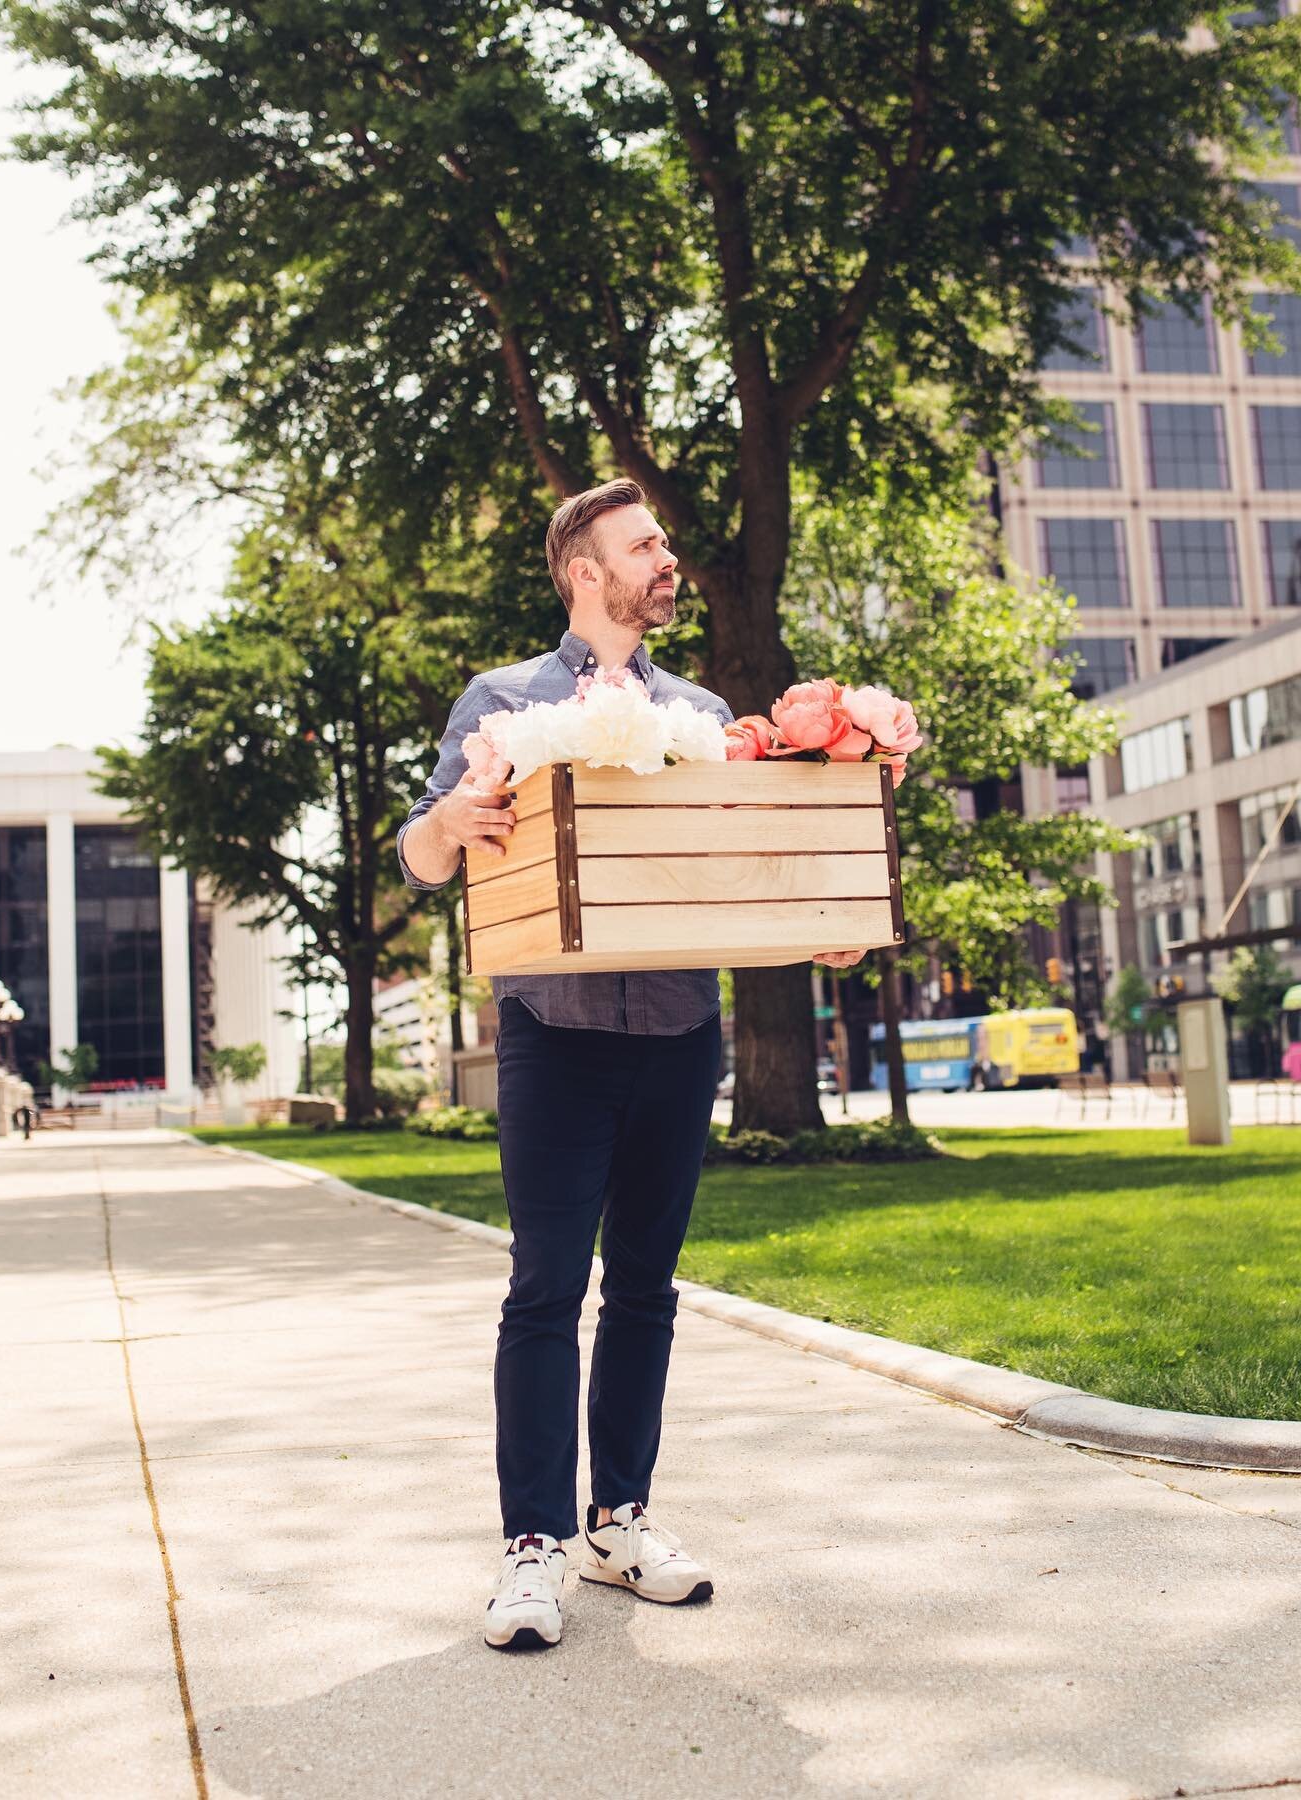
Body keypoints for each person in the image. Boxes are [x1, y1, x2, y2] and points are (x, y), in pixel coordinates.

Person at [398, 478, 864, 1652]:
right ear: (584, 572)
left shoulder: (707, 715)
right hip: (552, 1039)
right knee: (546, 1289)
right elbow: (421, 851)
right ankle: (533, 1547)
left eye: (662, 543)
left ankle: (619, 1523)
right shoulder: (502, 704)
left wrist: (820, 917)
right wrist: (450, 825)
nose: (666, 560)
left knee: (648, 1292)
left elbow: (735, 867)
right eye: (643, 546)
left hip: (675, 1034)